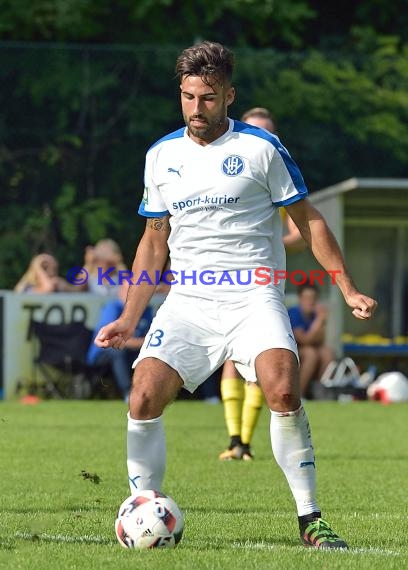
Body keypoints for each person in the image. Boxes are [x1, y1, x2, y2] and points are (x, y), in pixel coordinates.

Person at [95, 41, 377, 549]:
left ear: (229, 95)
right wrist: (130, 319)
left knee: (284, 390)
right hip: (189, 301)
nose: (195, 109)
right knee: (142, 396)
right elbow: (154, 240)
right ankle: (143, 509)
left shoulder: (261, 149)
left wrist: (347, 285)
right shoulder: (161, 155)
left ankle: (310, 518)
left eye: (207, 98)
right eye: (187, 97)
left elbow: (308, 221)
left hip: (254, 295)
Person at [219, 106, 306, 461]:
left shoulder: (277, 174)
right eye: (253, 129)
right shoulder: (225, 170)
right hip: (219, 279)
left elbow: (301, 232)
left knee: (257, 361)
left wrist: (264, 244)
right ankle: (234, 439)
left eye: (266, 131)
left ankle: (246, 442)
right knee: (228, 358)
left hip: (261, 280)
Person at [87, 281, 153, 401]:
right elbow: (110, 340)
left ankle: (150, 392)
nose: (132, 294)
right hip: (103, 353)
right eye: (129, 290)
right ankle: (128, 393)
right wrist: (144, 342)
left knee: (152, 355)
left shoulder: (146, 310)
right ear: (120, 292)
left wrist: (146, 342)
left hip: (131, 351)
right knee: (117, 351)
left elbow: (150, 335)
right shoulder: (113, 308)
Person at [288, 283, 336, 398]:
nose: (311, 301)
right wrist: (319, 320)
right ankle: (299, 395)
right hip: (291, 349)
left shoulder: (315, 314)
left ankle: (319, 392)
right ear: (300, 299)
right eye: (307, 298)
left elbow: (320, 340)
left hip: (308, 347)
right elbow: (303, 340)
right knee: (311, 354)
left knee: (327, 353)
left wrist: (318, 324)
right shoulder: (294, 313)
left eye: (314, 298)